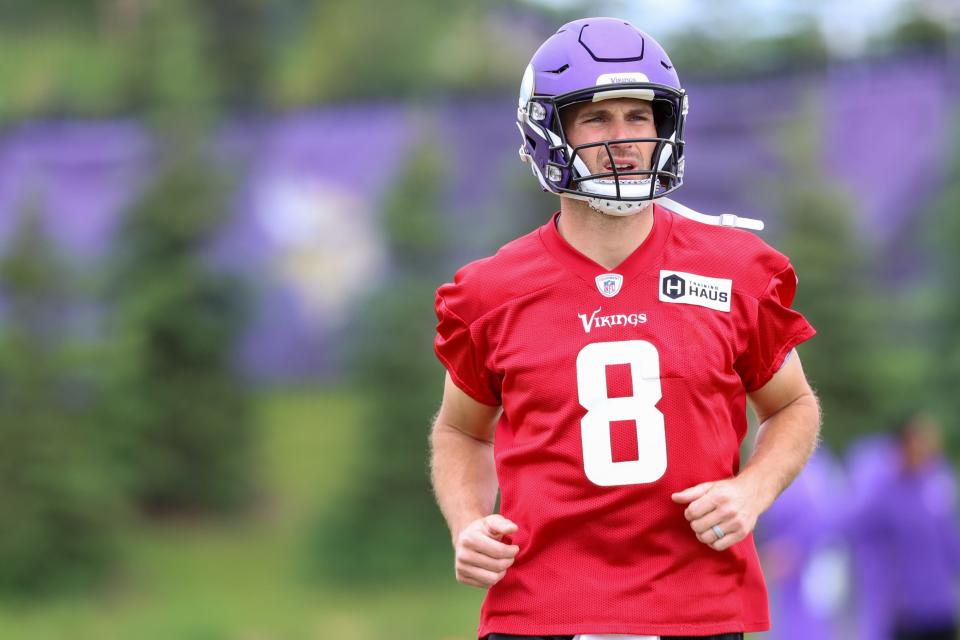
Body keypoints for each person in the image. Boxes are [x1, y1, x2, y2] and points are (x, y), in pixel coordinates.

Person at [429, 17, 821, 640]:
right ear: (547, 133)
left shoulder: (732, 270)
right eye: (596, 118)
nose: (624, 139)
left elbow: (793, 405)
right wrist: (467, 522)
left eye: (639, 117)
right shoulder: (492, 290)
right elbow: (459, 429)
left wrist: (752, 490)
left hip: (695, 607)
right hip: (540, 607)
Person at [845, 415, 960, 640]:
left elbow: (949, 540)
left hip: (939, 605)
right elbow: (850, 525)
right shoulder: (880, 486)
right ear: (902, 445)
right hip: (901, 609)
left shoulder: (936, 482)